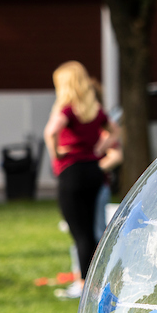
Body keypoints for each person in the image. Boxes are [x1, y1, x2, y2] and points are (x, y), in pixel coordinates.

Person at [43, 61, 119, 300]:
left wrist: (56, 153)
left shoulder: (66, 110)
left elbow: (50, 132)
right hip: (94, 172)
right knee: (90, 233)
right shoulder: (95, 110)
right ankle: (94, 283)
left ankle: (84, 284)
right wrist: (99, 147)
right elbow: (115, 131)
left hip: (73, 172)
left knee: (80, 233)